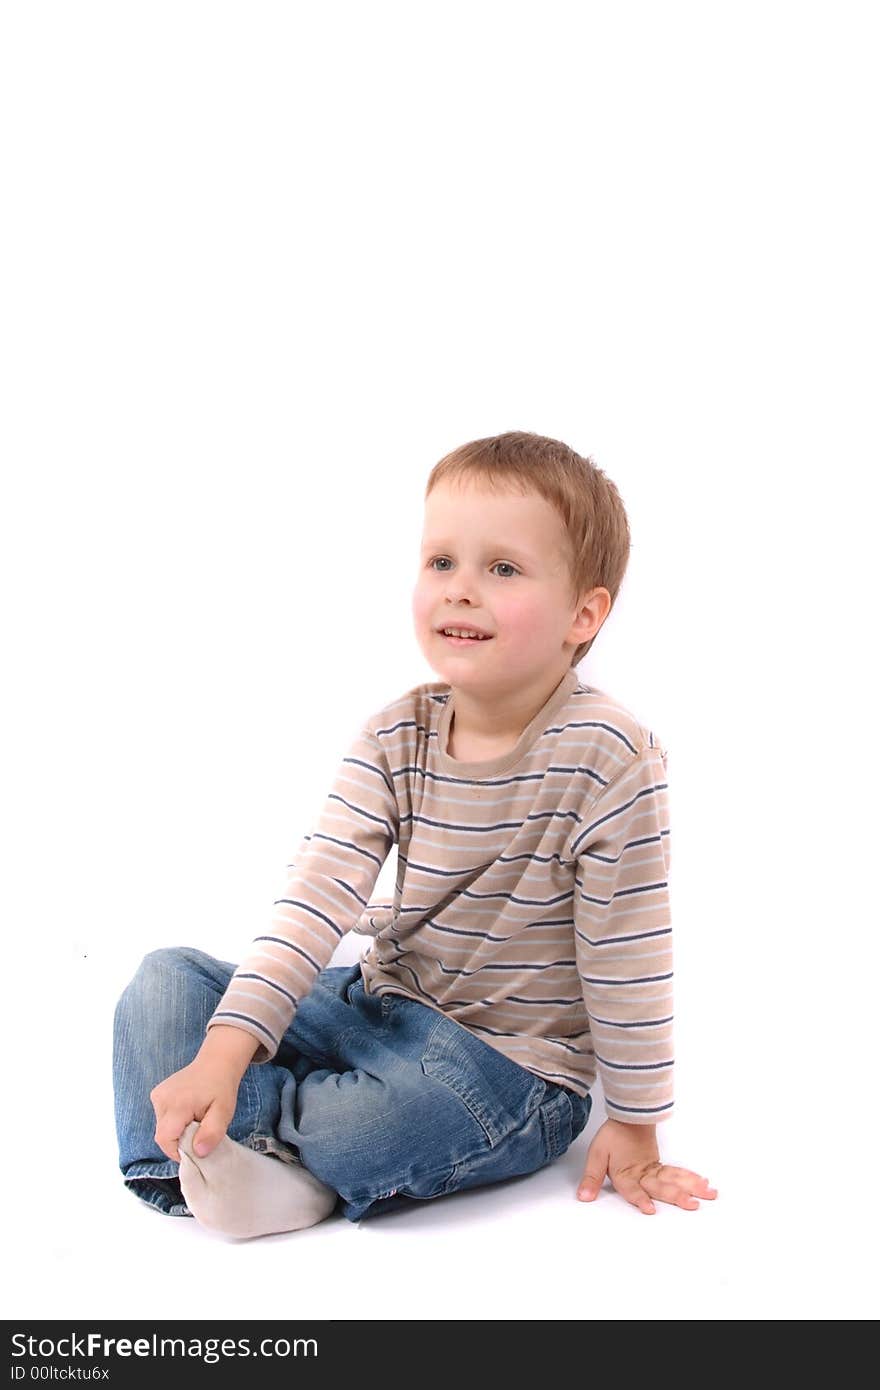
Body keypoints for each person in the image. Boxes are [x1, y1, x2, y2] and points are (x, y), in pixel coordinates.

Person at [113, 429, 717, 1238]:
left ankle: (264, 1149)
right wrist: (226, 1048)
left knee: (376, 1126)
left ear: (585, 612)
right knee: (168, 983)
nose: (460, 590)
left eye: (501, 568)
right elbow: (318, 892)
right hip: (380, 1003)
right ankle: (228, 1154)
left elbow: (628, 952)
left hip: (507, 1065)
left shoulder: (610, 758)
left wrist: (637, 1118)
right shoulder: (397, 733)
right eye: (442, 563)